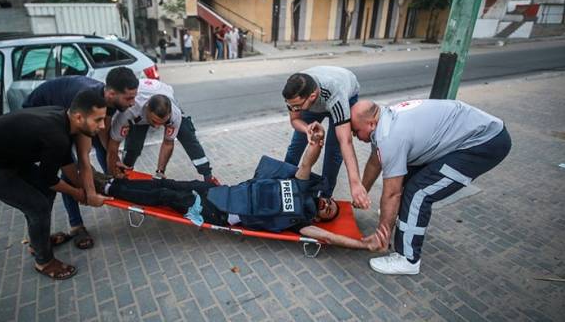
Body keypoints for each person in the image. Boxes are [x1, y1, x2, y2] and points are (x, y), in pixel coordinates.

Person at [96, 122, 386, 248]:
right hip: (219, 191)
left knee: (163, 194)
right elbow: (308, 162)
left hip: (215, 212)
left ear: (321, 218)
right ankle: (113, 181)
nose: (326, 204)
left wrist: (362, 244)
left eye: (328, 210)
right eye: (330, 202)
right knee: (169, 183)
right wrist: (316, 143)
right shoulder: (301, 186)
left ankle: (110, 189)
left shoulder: (302, 222)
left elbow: (331, 238)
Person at [0, 90, 109, 280]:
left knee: (45, 193)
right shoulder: (56, 136)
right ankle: (44, 262)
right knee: (38, 206)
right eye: (98, 120)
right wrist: (77, 193)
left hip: (5, 158)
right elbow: (49, 178)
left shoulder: (63, 119)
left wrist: (85, 189)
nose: (102, 126)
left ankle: (38, 241)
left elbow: (62, 166)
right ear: (78, 117)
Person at [351, 99, 511, 275]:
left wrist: (382, 234)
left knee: (418, 192)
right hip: (465, 131)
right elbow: (375, 162)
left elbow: (392, 194)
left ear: (371, 123)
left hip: (485, 141)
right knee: (406, 177)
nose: (354, 135)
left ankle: (407, 259)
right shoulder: (384, 118)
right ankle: (400, 220)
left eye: (356, 130)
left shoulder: (389, 136)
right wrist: (362, 192)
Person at [22, 69, 139, 249]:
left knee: (101, 147)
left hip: (69, 111)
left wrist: (114, 162)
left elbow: (104, 135)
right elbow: (83, 159)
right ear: (111, 94)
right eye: (129, 98)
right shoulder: (83, 107)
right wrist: (88, 193)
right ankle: (76, 225)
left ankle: (112, 184)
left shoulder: (110, 100)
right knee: (69, 167)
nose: (132, 103)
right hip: (44, 113)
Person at [282, 66, 369, 209]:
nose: (294, 109)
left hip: (343, 91)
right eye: (292, 106)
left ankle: (325, 196)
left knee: (333, 150)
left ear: (312, 96)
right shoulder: (295, 93)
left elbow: (345, 142)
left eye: (297, 106)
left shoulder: (336, 95)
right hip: (314, 99)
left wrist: (355, 184)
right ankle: (283, 185)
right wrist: (306, 129)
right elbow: (295, 120)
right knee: (296, 145)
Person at [107, 78, 220, 184]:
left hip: (163, 95)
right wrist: (114, 170)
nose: (156, 127)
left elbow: (168, 143)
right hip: (139, 108)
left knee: (187, 135)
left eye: (162, 123)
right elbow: (113, 144)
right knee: (134, 146)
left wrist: (160, 172)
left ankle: (208, 176)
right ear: (147, 110)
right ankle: (125, 172)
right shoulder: (128, 111)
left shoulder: (174, 115)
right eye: (154, 121)